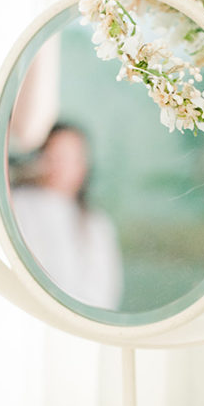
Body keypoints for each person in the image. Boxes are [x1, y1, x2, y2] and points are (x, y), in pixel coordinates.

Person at [9, 123, 123, 310]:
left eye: (71, 158)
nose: (61, 166)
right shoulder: (19, 204)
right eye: (55, 156)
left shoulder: (96, 223)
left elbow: (106, 291)